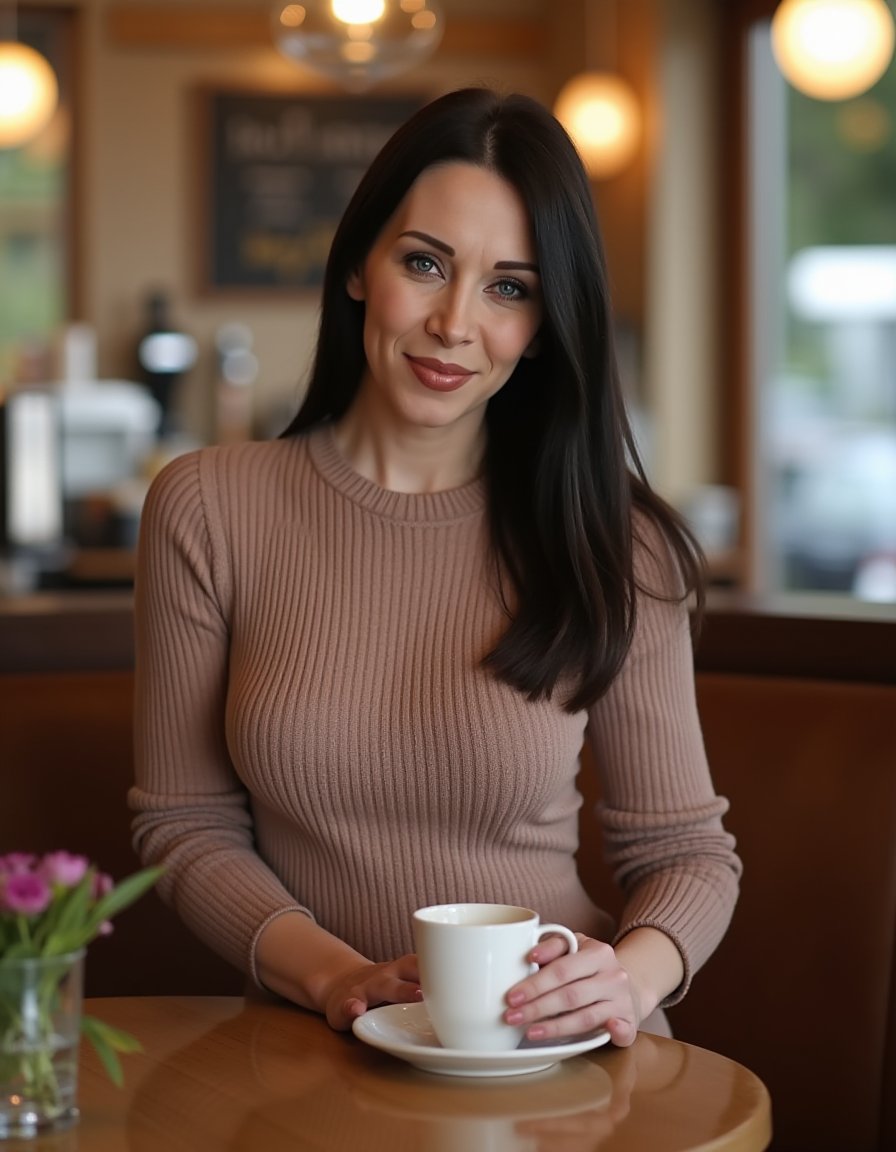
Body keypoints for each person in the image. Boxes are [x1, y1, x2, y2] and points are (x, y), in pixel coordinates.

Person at [130, 86, 741, 1048]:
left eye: (510, 287)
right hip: (313, 1045)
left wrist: (625, 978)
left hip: (559, 1058)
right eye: (426, 264)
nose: (456, 323)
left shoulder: (615, 539)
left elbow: (686, 852)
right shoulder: (207, 506)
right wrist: (339, 978)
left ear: (542, 325)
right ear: (360, 267)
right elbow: (185, 824)